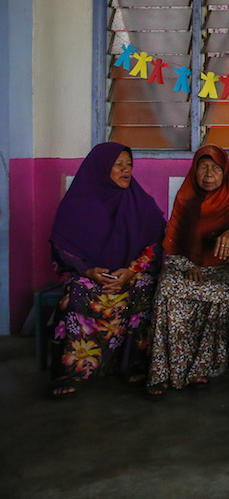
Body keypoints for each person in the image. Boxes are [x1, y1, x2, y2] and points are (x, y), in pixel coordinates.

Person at [48, 142, 166, 397]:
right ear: (101, 168)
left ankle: (135, 365)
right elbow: (63, 245)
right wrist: (88, 271)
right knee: (76, 295)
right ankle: (70, 371)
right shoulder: (78, 203)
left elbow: (157, 242)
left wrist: (133, 271)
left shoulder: (140, 201)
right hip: (91, 275)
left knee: (146, 290)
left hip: (130, 275)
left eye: (129, 165)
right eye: (118, 165)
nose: (126, 170)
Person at [146, 145, 229, 396]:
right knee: (167, 290)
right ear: (194, 170)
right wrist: (188, 266)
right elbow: (174, 241)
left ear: (225, 171)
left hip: (222, 269)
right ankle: (164, 372)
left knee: (227, 293)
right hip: (186, 267)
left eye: (216, 168)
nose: (209, 174)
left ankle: (201, 368)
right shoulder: (185, 197)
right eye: (203, 167)